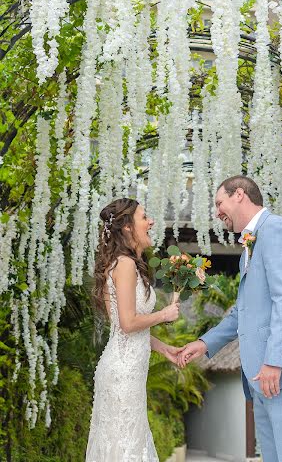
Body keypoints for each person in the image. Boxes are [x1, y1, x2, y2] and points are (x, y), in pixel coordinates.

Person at [178, 175, 282, 462]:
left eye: (219, 203)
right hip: (262, 377)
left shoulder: (277, 230)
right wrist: (204, 343)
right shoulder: (249, 248)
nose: (217, 212)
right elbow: (243, 310)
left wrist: (274, 361)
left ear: (239, 194)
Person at [86, 197, 183, 462]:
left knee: (126, 444)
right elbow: (128, 323)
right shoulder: (125, 265)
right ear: (127, 227)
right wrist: (164, 314)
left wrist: (164, 349)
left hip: (126, 370)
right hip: (123, 375)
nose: (151, 222)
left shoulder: (127, 265)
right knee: (126, 447)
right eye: (144, 217)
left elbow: (124, 327)